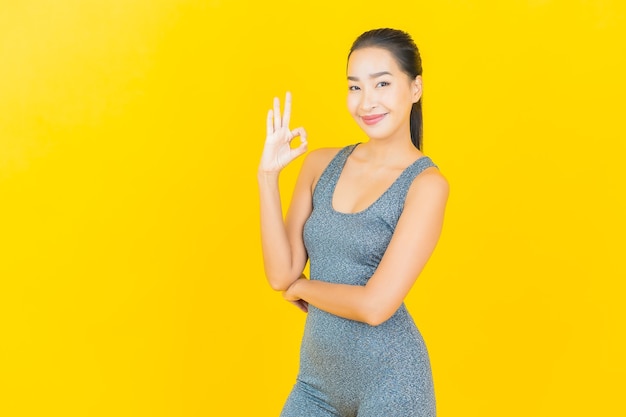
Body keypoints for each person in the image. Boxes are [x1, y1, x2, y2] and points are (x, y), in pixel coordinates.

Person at [258, 28, 448, 417]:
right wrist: (267, 176)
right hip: (315, 384)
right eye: (355, 87)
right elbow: (280, 275)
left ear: (415, 88)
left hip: (393, 385)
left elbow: (376, 305)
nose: (367, 101)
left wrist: (304, 287)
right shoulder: (318, 165)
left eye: (382, 83)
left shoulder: (426, 186)